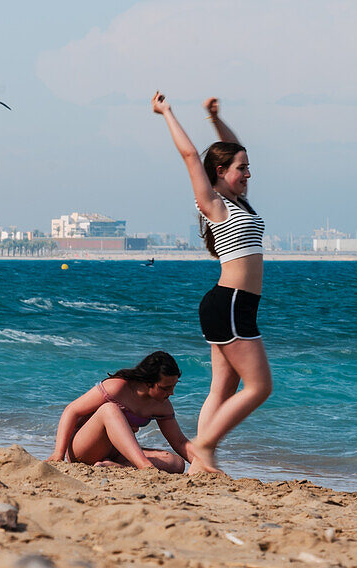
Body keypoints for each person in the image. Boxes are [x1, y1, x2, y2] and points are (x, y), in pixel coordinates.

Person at [152, 92, 272, 473]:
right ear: (220, 172)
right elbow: (191, 157)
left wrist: (214, 119)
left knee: (222, 389)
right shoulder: (214, 204)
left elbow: (235, 149)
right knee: (259, 387)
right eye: (242, 168)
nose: (248, 174)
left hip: (234, 305)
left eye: (249, 167)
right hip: (231, 303)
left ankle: (199, 464)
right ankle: (204, 446)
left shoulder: (240, 201)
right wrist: (167, 112)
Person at [47, 351, 192, 473]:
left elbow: (179, 442)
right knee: (109, 409)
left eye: (173, 386)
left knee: (176, 463)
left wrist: (201, 462)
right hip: (85, 449)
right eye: (165, 388)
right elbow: (71, 411)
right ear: (148, 382)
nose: (171, 392)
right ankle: (145, 467)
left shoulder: (162, 404)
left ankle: (117, 467)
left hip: (116, 452)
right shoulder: (117, 387)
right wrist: (58, 453)